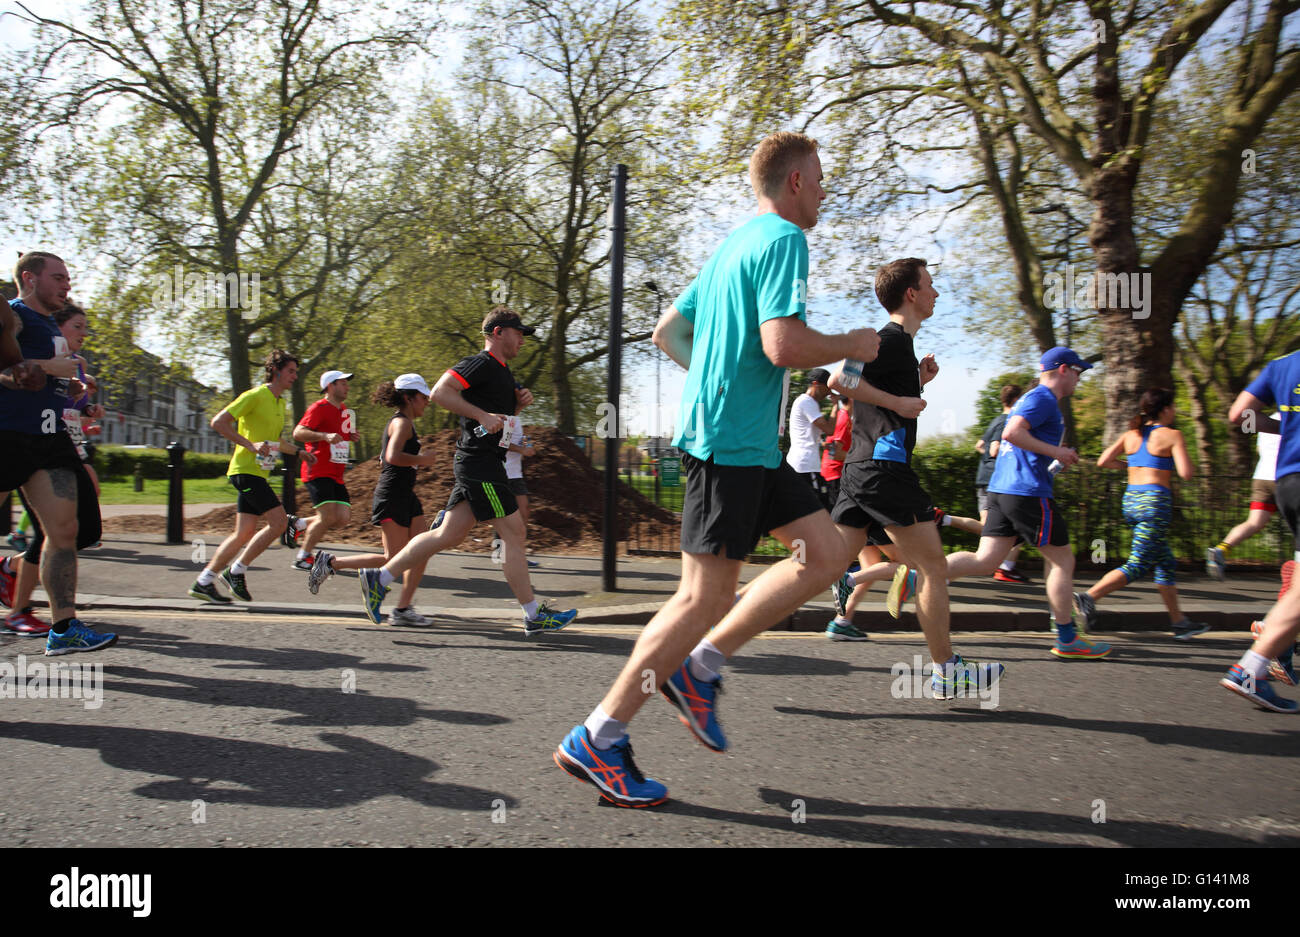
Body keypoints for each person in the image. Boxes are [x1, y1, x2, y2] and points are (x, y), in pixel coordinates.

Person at [552, 131, 880, 808]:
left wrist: (714, 377)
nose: (824, 189)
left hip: (752, 445)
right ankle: (600, 735)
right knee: (700, 597)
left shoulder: (733, 244)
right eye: (819, 178)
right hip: (729, 444)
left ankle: (701, 667)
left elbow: (667, 331)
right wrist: (851, 343)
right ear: (793, 183)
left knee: (823, 554)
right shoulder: (786, 240)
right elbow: (783, 343)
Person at [823, 257, 1004, 696]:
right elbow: (837, 380)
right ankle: (947, 671)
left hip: (859, 471)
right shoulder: (890, 338)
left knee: (818, 570)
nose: (936, 292)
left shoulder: (899, 348)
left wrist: (916, 386)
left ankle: (721, 624)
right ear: (911, 293)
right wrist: (900, 401)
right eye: (931, 285)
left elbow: (875, 400)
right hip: (884, 472)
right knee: (932, 567)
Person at [355, 308, 577, 635]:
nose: (522, 341)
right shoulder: (481, 363)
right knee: (514, 532)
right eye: (518, 333)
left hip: (484, 460)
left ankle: (380, 577)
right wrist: (483, 415)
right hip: (480, 464)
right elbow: (442, 392)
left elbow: (496, 424)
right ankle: (533, 615)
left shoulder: (503, 374)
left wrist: (517, 408)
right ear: (498, 332)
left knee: (450, 534)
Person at [931, 347, 1111, 659]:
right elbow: (1013, 434)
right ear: (1064, 369)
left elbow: (1014, 442)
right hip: (1027, 492)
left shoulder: (1031, 400)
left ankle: (922, 576)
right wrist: (1057, 453)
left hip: (1002, 489)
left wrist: (1052, 458)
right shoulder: (1043, 398)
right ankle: (1067, 638)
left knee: (986, 560)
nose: (1080, 379)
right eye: (1079, 372)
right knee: (1062, 561)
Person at [0, 252, 115, 655]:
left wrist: (75, 392)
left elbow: (50, 379)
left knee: (64, 531)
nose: (67, 284)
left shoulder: (50, 323)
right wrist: (51, 368)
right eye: (58, 277)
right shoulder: (12, 316)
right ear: (29, 278)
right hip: (7, 435)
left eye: (68, 277)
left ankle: (64, 627)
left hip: (48, 440)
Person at [1073, 388, 1205, 639]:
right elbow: (1187, 473)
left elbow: (1104, 461)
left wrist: (1131, 465)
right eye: (1173, 407)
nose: (1175, 411)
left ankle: (1179, 622)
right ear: (1165, 409)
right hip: (1155, 503)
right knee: (1138, 563)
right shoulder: (1173, 435)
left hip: (1132, 501)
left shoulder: (1131, 435)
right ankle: (1088, 597)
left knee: (1165, 561)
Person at [187, 350, 314, 603]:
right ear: (276, 371)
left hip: (258, 474)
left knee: (242, 534)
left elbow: (276, 440)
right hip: (245, 472)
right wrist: (249, 445)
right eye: (291, 371)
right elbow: (219, 422)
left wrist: (299, 452)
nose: (295, 376)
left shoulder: (279, 403)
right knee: (278, 523)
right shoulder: (255, 395)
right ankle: (236, 571)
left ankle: (203, 582)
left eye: (296, 372)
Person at [309, 375, 437, 626]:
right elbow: (391, 456)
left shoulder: (403, 423)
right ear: (409, 398)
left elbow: (384, 457)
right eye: (423, 397)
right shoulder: (402, 424)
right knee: (396, 558)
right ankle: (331, 563)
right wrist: (422, 460)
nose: (427, 402)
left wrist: (411, 459)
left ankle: (402, 609)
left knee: (421, 551)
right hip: (392, 496)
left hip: (406, 496)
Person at [1220, 350, 1300, 712]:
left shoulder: (1281, 365)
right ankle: (1252, 667)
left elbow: (1239, 415)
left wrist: (1285, 425)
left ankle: (1272, 636)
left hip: (1286, 482)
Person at [284, 369, 359, 570]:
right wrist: (324, 436)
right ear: (330, 386)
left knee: (342, 518)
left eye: (346, 383)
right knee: (327, 517)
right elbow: (298, 432)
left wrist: (350, 436)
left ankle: (298, 524)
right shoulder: (319, 407)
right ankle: (302, 557)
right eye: (343, 383)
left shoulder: (344, 410)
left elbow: (340, 436)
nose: (347, 387)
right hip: (318, 469)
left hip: (337, 473)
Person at [1206, 421, 1281, 580]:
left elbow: (1259, 449)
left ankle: (1221, 549)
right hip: (1286, 478)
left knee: (1254, 522)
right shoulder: (1294, 416)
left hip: (1262, 477)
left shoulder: (1267, 420)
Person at [975, 384, 1028, 583]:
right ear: (1015, 401)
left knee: (989, 529)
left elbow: (980, 446)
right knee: (1005, 529)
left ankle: (1003, 566)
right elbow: (994, 449)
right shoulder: (1007, 420)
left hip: (984, 478)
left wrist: (987, 461)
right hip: (995, 481)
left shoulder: (995, 420)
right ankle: (1005, 567)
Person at [785, 368, 835, 507]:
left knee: (802, 510)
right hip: (806, 465)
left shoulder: (807, 403)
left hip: (803, 463)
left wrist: (821, 444)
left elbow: (807, 434)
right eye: (828, 388)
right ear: (816, 384)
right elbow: (829, 429)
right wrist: (836, 406)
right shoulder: (807, 402)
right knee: (819, 508)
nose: (829, 393)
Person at [503, 396, 540, 568]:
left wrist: (527, 442)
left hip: (515, 474)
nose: (527, 401)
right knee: (509, 516)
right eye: (523, 399)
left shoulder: (515, 419)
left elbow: (517, 440)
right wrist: (522, 449)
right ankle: (447, 519)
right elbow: (503, 444)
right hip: (504, 474)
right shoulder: (507, 419)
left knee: (522, 512)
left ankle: (514, 555)